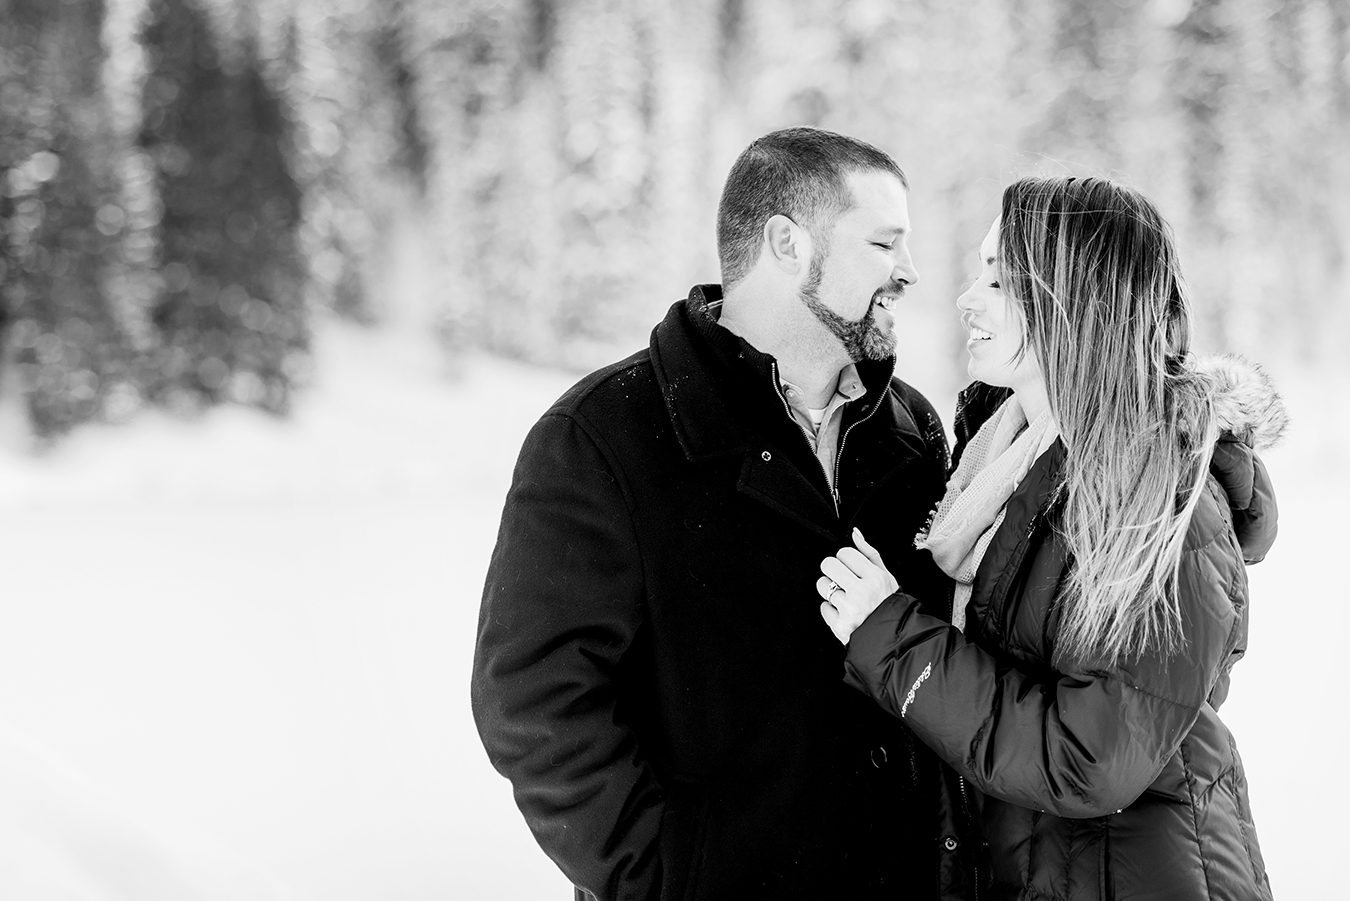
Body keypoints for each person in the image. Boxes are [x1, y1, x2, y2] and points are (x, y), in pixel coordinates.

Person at [472, 127, 967, 900]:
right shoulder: (603, 437)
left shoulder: (911, 431)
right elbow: (532, 701)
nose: (909, 272)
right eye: (884, 243)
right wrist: (667, 877)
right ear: (788, 244)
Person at [817, 176, 1282, 900]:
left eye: (1000, 280)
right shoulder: (1004, 459)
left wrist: (893, 641)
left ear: (1078, 302)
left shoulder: (1164, 501)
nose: (969, 298)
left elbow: (1090, 755)